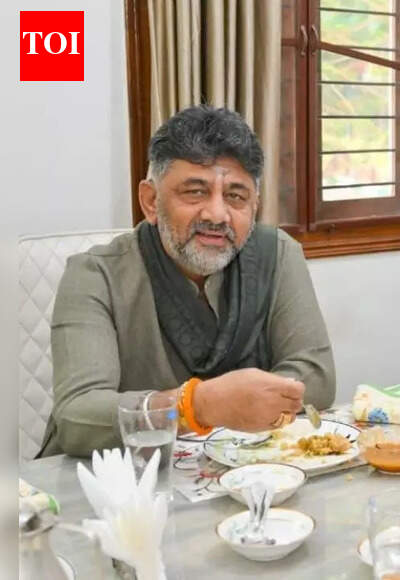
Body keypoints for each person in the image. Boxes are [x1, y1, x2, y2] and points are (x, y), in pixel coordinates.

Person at [39, 105, 335, 457]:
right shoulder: (94, 275)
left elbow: (316, 378)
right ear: (150, 201)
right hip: (126, 485)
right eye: (195, 192)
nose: (216, 214)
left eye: (236, 196)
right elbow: (77, 417)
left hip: (246, 469)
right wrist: (195, 406)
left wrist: (244, 404)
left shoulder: (278, 254)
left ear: (254, 206)